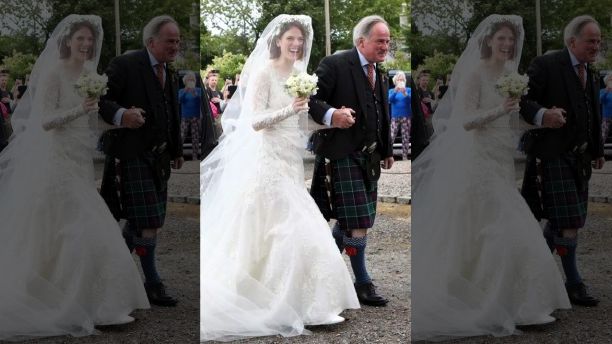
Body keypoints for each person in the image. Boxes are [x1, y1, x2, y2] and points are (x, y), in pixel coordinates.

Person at [200, 15, 359, 341]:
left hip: (290, 161)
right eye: (291, 39)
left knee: (292, 228)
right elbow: (254, 122)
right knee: (289, 229)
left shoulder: (300, 74)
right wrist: (290, 108)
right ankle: (280, 302)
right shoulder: (263, 73)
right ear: (278, 41)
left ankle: (309, 303)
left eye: (300, 40)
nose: (297, 44)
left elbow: (300, 122)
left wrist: (332, 122)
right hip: (267, 163)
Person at [411, 15, 570, 341]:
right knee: (499, 226)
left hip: (501, 160)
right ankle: (491, 300)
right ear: (489, 41)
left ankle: (519, 301)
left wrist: (542, 121)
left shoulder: (511, 74)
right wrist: (501, 108)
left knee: (499, 226)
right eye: (501, 39)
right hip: (477, 162)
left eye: (511, 40)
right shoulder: (475, 73)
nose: (508, 45)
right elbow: (466, 122)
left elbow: (511, 122)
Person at [0, 15, 149, 340]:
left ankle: (93, 300)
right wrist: (80, 109)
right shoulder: (54, 73)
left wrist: (122, 122)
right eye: (80, 39)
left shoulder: (89, 75)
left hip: (80, 162)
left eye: (90, 41)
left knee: (79, 224)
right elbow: (44, 122)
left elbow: (91, 121)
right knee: (78, 226)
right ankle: (74, 301)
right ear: (67, 41)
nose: (86, 45)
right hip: (55, 162)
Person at [308, 15, 394, 307]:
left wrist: (386, 149)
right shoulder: (335, 64)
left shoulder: (379, 73)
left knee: (353, 221)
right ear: (362, 41)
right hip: (340, 153)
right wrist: (333, 115)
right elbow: (311, 101)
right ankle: (362, 282)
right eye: (380, 40)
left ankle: (323, 274)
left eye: (387, 41)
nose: (385, 46)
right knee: (358, 223)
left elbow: (381, 112)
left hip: (369, 157)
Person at [99, 15, 184, 307]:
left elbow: (171, 111)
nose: (175, 46)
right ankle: (152, 282)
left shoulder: (169, 71)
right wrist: (122, 115)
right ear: (151, 42)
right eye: (169, 41)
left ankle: (115, 275)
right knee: (147, 222)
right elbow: (101, 100)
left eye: (177, 40)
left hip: (159, 157)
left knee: (143, 222)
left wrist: (176, 150)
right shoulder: (125, 64)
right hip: (131, 153)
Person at [520, 15, 604, 307]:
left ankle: (532, 277)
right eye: (590, 41)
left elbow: (591, 112)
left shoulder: (590, 73)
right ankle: (573, 282)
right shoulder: (547, 64)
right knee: (568, 223)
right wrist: (544, 115)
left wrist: (596, 151)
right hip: (552, 154)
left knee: (561, 222)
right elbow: (523, 101)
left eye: (598, 41)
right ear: (572, 41)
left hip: (579, 158)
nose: (596, 46)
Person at [178, 71, 202, 160]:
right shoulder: (181, 91)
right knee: (181, 136)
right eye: (189, 80)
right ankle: (179, 155)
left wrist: (195, 93)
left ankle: (195, 156)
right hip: (185, 116)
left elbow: (201, 101)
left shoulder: (198, 90)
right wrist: (185, 92)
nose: (190, 81)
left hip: (196, 117)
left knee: (195, 137)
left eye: (192, 80)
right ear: (185, 81)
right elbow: (179, 101)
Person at [388, 71, 411, 159]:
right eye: (398, 79)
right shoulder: (391, 90)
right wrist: (395, 91)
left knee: (405, 137)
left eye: (402, 79)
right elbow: (389, 100)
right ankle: (389, 155)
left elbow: (410, 101)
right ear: (395, 81)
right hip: (395, 116)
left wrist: (405, 93)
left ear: (404, 81)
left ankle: (404, 156)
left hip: (406, 116)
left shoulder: (408, 90)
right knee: (391, 136)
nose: (400, 81)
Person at [600, 73, 612, 143]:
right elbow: (600, 100)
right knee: (602, 135)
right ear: (606, 81)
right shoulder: (603, 91)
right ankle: (599, 150)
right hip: (606, 117)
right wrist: (607, 91)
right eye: (610, 79)